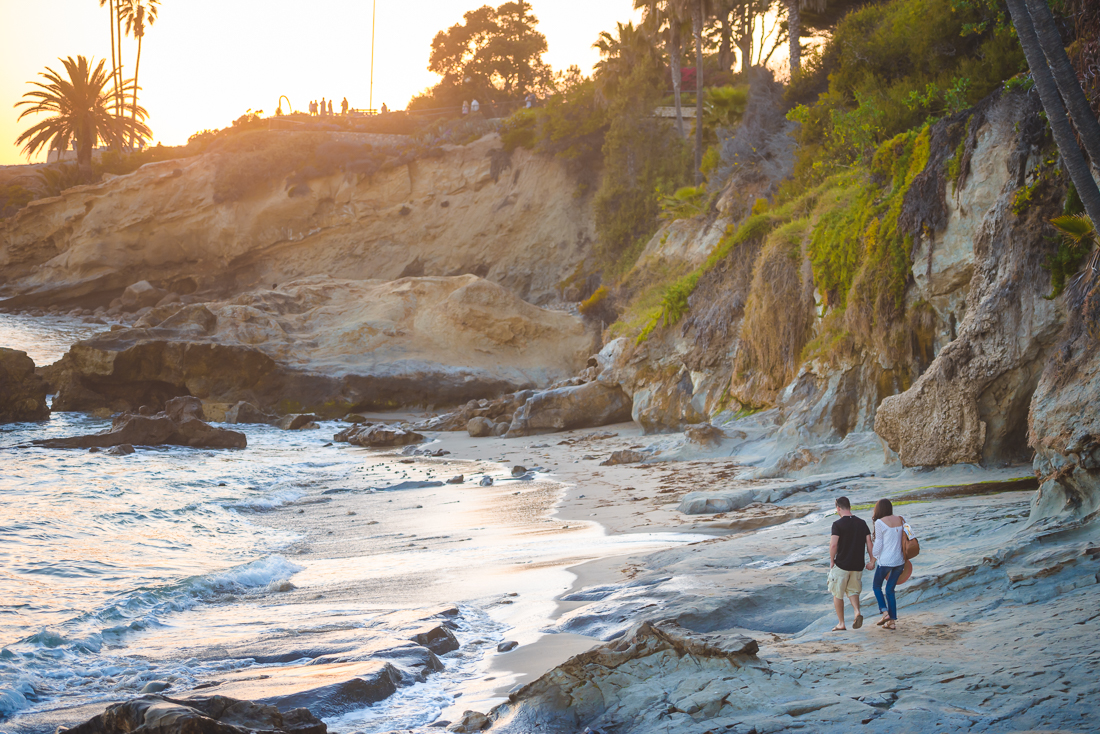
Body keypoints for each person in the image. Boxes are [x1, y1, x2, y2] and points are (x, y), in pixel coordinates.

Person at [828, 496, 873, 631]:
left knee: (837, 593)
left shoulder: (837, 524)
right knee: (853, 591)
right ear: (850, 507)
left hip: (842, 564)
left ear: (838, 508)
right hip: (857, 565)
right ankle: (857, 612)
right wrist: (871, 560)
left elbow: (833, 544)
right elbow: (869, 543)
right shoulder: (862, 523)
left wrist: (831, 561)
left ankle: (841, 623)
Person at [868, 499, 907, 630]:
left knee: (876, 586)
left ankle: (885, 613)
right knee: (890, 589)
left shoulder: (879, 522)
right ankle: (892, 622)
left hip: (886, 561)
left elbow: (878, 544)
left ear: (879, 510)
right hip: (900, 561)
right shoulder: (901, 519)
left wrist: (873, 559)